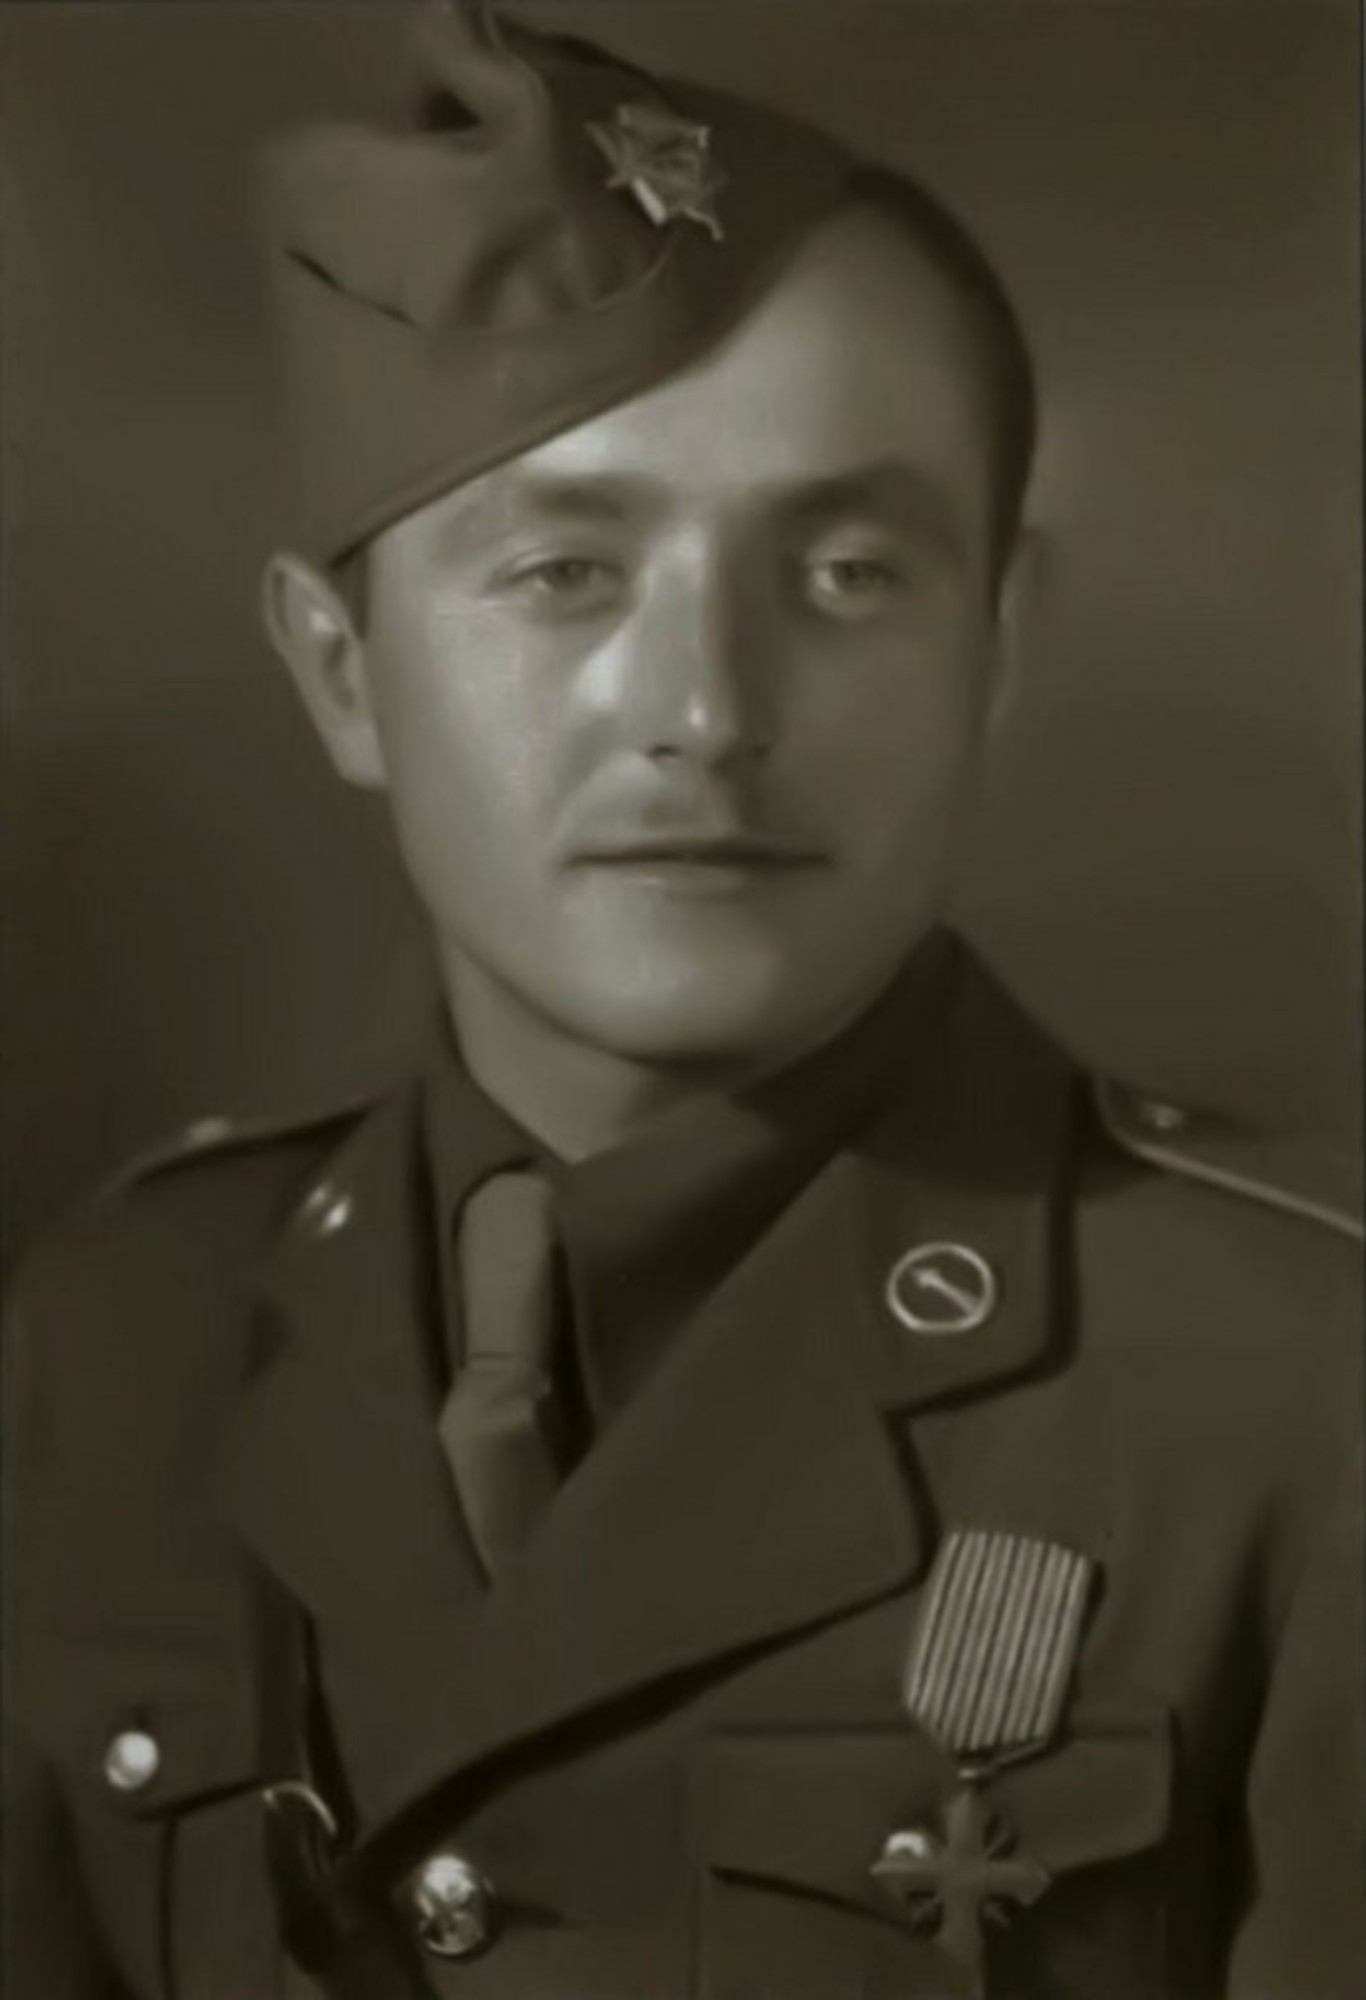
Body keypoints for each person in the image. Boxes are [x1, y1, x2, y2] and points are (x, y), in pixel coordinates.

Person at [7, 3, 1363, 1996]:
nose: (708, 713)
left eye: (844, 574)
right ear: (343, 674)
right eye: (566, 571)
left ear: (996, 647)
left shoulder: (1297, 1392)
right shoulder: (121, 1333)